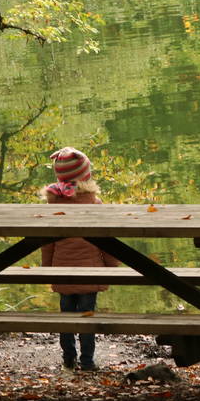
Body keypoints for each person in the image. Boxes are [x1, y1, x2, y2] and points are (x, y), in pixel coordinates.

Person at [40, 147, 118, 372]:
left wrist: (47, 268)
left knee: (66, 317)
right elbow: (109, 243)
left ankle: (68, 358)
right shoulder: (95, 205)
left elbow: (47, 243)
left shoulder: (52, 205)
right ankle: (87, 361)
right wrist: (112, 268)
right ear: (87, 175)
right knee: (87, 318)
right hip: (90, 273)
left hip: (62, 273)